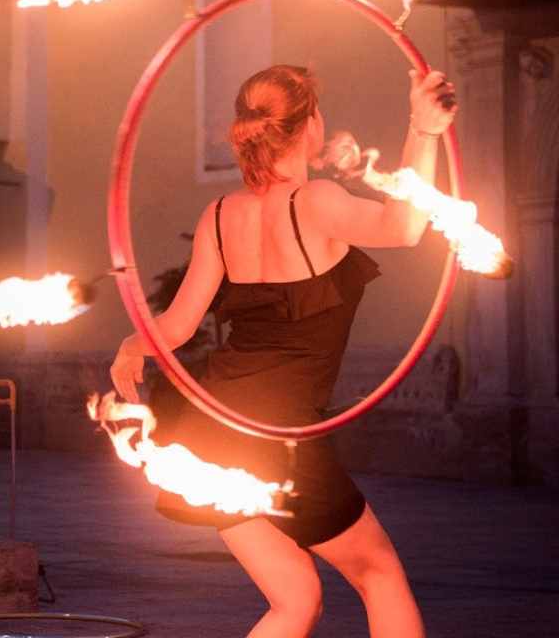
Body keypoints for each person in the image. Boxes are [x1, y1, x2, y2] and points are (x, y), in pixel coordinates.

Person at [110, 65, 455, 638]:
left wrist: (130, 344)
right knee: (380, 575)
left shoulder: (220, 216)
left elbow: (173, 327)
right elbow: (407, 226)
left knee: (296, 600)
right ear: (310, 125)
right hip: (277, 438)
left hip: (210, 428)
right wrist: (423, 130)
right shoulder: (316, 201)